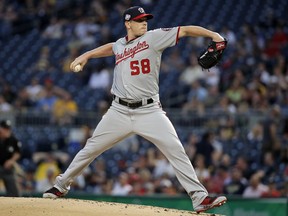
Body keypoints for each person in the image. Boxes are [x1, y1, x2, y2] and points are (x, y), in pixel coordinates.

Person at [43, 6, 227, 213]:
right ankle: (61, 185)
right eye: (139, 20)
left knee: (176, 150)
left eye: (145, 19)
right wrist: (86, 55)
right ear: (127, 24)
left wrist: (214, 35)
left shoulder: (154, 37)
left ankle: (199, 197)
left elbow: (185, 30)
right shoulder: (121, 44)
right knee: (91, 148)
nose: (144, 23)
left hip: (150, 111)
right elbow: (112, 47)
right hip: (118, 111)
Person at [0, 120, 22, 196]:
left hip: (8, 168)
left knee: (14, 193)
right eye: (5, 129)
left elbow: (17, 153)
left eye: (8, 129)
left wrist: (11, 161)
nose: (7, 131)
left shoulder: (13, 139)